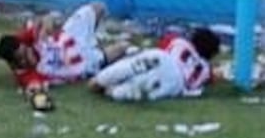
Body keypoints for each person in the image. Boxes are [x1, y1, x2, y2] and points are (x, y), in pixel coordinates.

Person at [0, 1, 129, 110]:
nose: (26, 58)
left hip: (70, 35)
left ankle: (93, 37)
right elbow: (33, 88)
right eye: (21, 59)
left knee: (99, 7)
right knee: (123, 48)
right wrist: (37, 98)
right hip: (82, 62)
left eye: (25, 52)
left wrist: (46, 27)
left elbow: (47, 19)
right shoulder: (26, 74)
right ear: (13, 63)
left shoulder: (21, 40)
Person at [89, 28, 221, 101]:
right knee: (135, 92)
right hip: (176, 84)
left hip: (164, 60)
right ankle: (115, 91)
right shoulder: (205, 68)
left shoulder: (179, 42)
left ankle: (101, 80)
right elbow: (215, 76)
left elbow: (163, 47)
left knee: (130, 67)